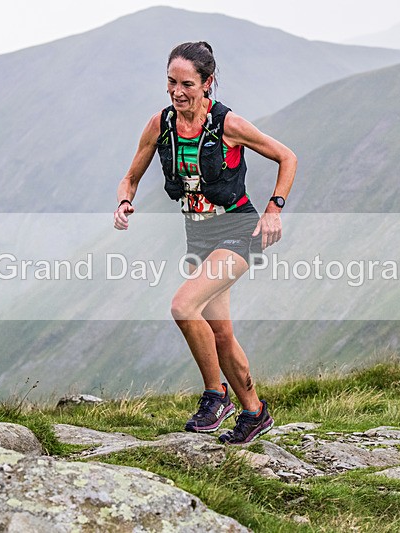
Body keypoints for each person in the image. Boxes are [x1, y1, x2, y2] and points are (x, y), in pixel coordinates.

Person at [114, 41, 296, 444]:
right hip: (197, 233)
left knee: (183, 306)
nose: (177, 92)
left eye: (187, 84)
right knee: (221, 333)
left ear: (208, 83)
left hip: (237, 229)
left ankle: (216, 395)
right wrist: (124, 202)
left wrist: (274, 209)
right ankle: (255, 413)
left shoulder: (228, 124)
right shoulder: (160, 125)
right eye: (171, 82)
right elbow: (131, 176)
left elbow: (287, 157)